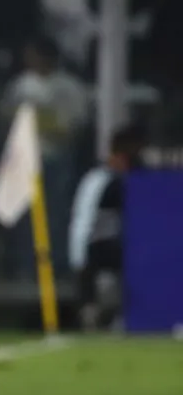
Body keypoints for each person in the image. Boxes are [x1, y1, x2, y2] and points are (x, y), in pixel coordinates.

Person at [68, 124, 144, 331]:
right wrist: (79, 257)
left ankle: (123, 314)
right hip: (98, 245)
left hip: (127, 244)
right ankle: (93, 314)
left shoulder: (137, 180)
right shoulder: (97, 181)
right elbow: (82, 221)